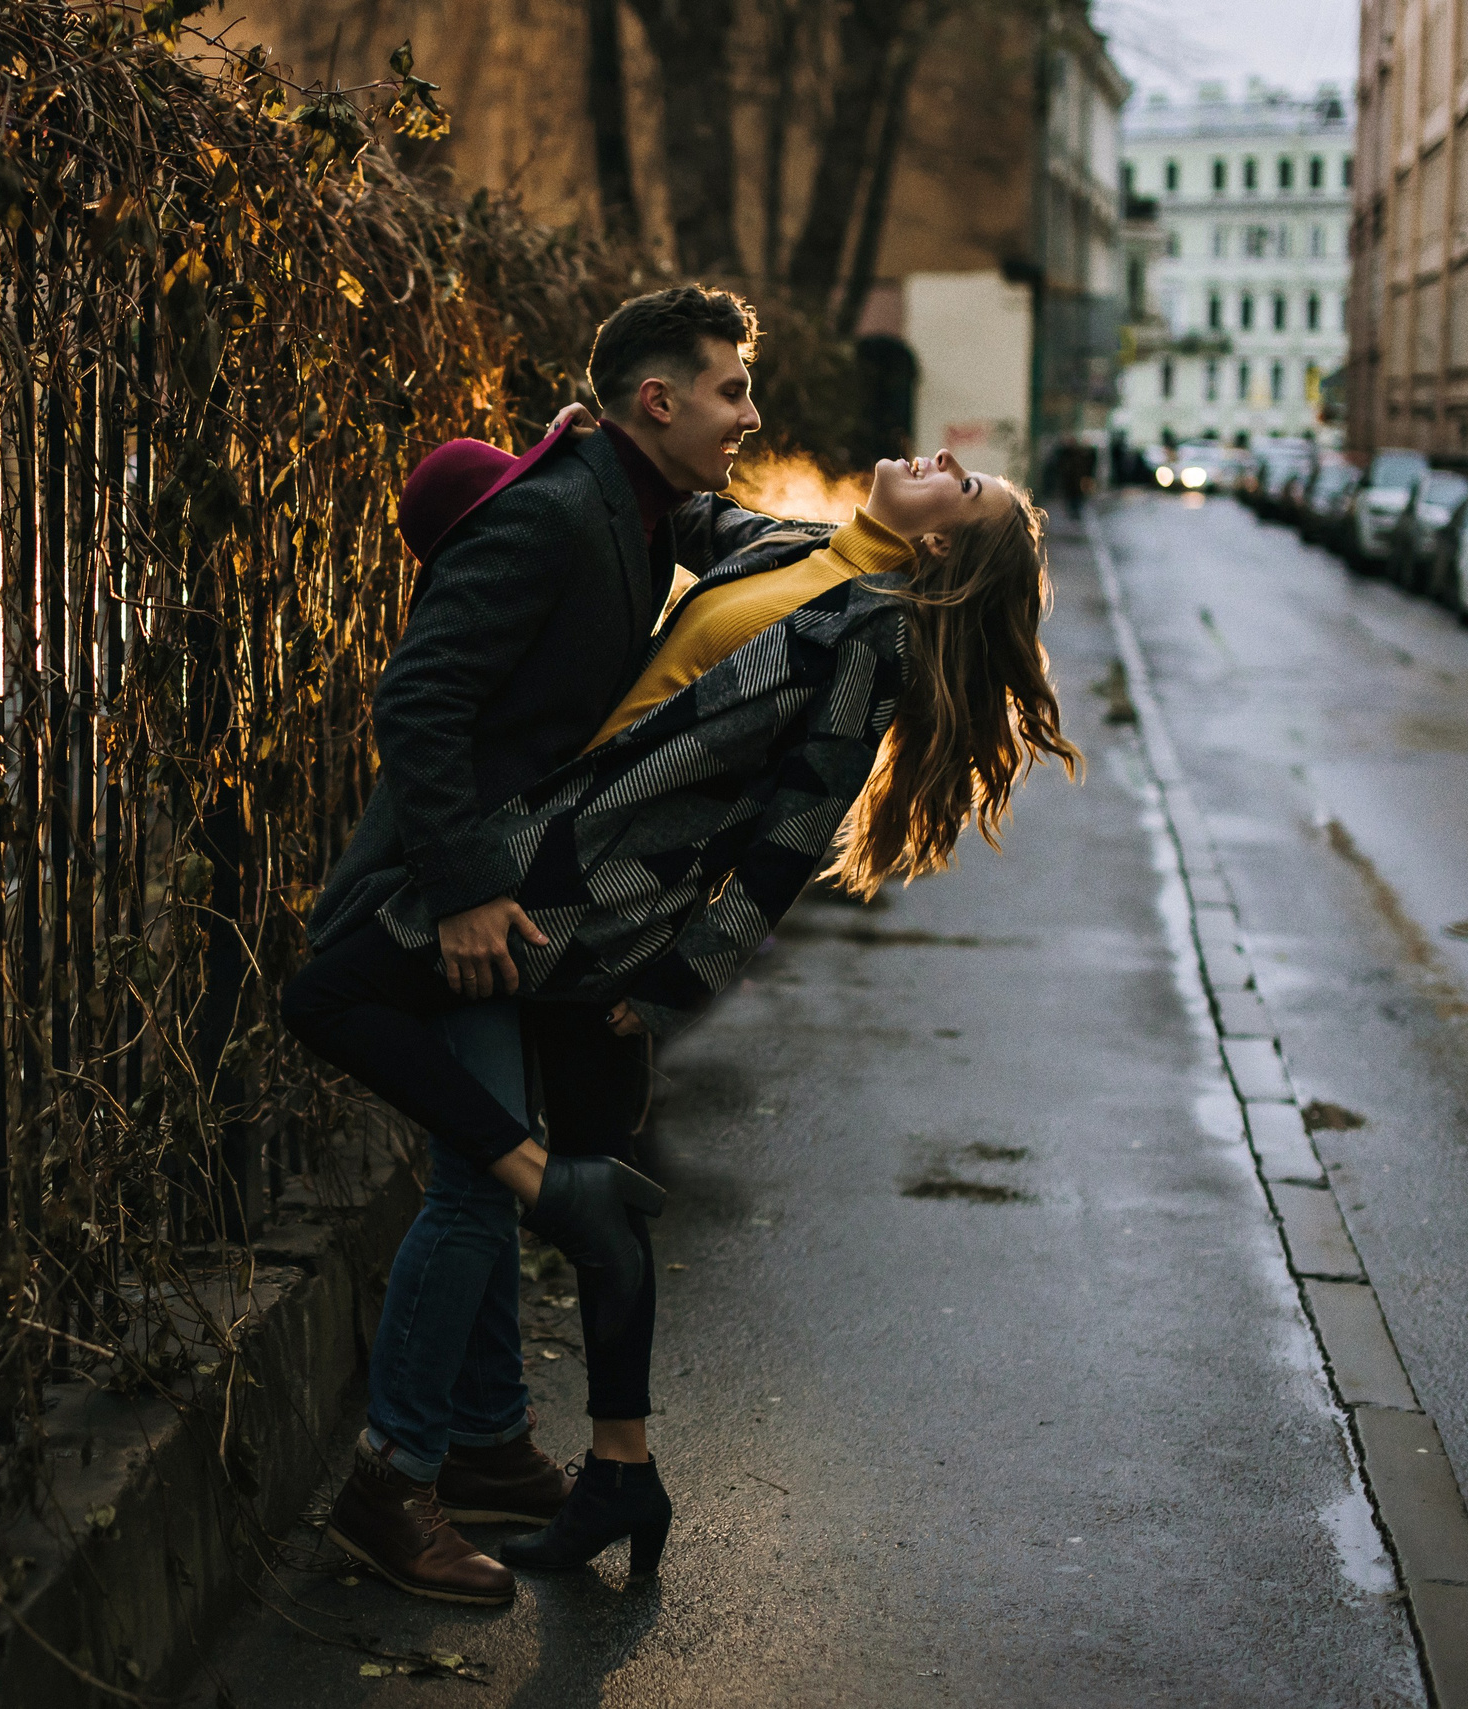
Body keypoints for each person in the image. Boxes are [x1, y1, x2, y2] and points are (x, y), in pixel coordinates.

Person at [287, 348, 1081, 1596]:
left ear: (939, 556)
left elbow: (780, 850)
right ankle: (491, 1444)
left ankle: (397, 1479)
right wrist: (579, 438)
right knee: (472, 1168)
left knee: (387, 1068)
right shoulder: (793, 546)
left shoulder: (864, 643)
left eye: (958, 486)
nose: (938, 460)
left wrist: (663, 989)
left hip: (570, 905)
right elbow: (669, 491)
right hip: (518, 842)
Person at [287, 285, 790, 1607]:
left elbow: (743, 537)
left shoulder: (628, 505)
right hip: (430, 908)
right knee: (475, 1187)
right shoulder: (557, 512)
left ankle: (496, 1445)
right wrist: (456, 887)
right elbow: (420, 695)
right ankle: (387, 1487)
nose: (751, 413)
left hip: (499, 904)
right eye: (732, 390)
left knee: (487, 1173)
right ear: (658, 401)